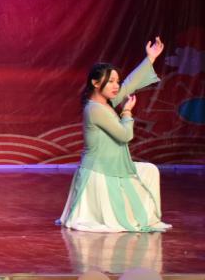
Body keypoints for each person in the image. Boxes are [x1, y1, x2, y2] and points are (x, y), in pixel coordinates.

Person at [57, 36, 172, 233]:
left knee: (150, 171)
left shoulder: (106, 103)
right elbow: (125, 136)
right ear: (95, 83)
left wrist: (151, 58)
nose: (116, 86)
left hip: (112, 167)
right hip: (100, 172)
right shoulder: (95, 109)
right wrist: (126, 112)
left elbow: (129, 84)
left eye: (116, 81)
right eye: (110, 81)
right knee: (147, 173)